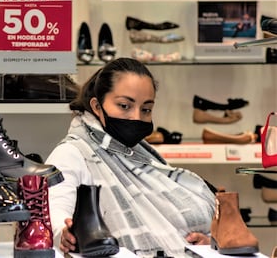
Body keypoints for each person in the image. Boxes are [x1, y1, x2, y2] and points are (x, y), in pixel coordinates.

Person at [46, 57, 217, 257]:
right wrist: (64, 234)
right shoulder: (71, 153)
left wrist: (206, 243)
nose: (136, 117)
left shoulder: (141, 155)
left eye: (146, 109)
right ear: (97, 106)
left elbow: (166, 218)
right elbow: (54, 212)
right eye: (125, 106)